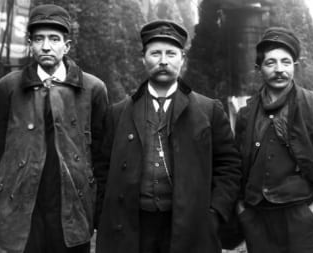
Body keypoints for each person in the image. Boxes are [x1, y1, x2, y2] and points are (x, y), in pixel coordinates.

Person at [94, 20, 242, 253]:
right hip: (132, 227)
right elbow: (101, 170)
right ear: (143, 58)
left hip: (189, 226)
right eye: (156, 53)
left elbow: (229, 167)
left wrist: (214, 212)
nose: (163, 60)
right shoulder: (118, 113)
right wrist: (105, 215)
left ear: (182, 59)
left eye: (171, 54)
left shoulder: (208, 111)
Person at [0, 4, 108, 253]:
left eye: (54, 39)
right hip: (25, 197)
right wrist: (23, 166)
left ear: (67, 45)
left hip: (72, 197)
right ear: (30, 44)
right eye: (39, 39)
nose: (46, 46)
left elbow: (100, 149)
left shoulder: (93, 89)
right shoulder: (8, 87)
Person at [234, 26, 313, 253]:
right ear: (259, 68)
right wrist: (242, 209)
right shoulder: (246, 113)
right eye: (271, 63)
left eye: (286, 62)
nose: (279, 69)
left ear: (295, 66)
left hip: (305, 216)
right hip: (258, 219)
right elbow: (235, 165)